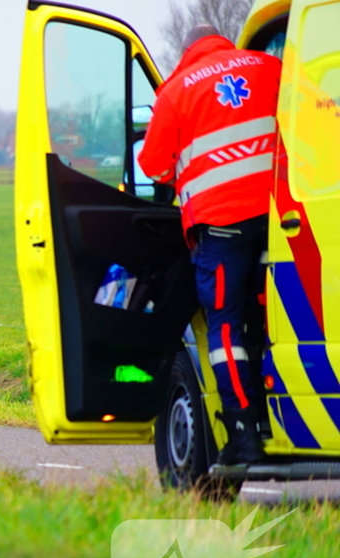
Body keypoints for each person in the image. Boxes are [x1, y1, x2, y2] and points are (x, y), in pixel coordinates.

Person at [139, 25, 282, 466]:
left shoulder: (177, 90)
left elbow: (152, 166)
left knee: (225, 327)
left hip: (222, 228)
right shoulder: (270, 66)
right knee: (277, 316)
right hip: (283, 217)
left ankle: (244, 435)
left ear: (187, 52)